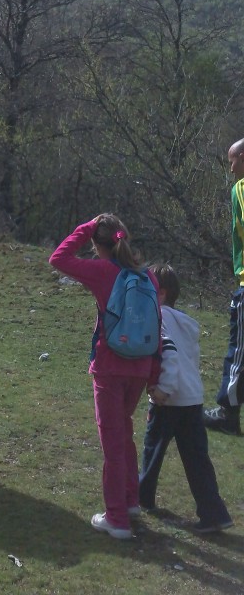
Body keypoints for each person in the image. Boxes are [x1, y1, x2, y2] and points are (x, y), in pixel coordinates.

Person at [49, 213, 160, 540]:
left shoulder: (101, 272)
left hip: (110, 367)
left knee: (112, 444)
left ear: (99, 245)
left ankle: (117, 519)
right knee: (124, 432)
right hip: (139, 367)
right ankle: (129, 501)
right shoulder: (149, 277)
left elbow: (58, 258)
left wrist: (84, 227)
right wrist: (153, 372)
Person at [139, 263, 233, 533]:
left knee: (152, 450)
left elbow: (168, 354)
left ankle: (142, 497)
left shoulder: (158, 318)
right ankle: (214, 513)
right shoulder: (185, 323)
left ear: (162, 294)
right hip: (193, 399)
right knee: (197, 459)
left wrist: (163, 389)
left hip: (168, 399)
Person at [204, 137, 244, 436]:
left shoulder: (241, 189)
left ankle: (227, 414)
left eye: (232, 160)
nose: (231, 169)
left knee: (238, 350)